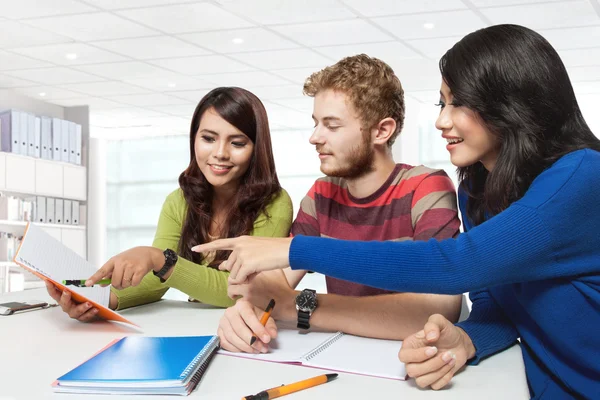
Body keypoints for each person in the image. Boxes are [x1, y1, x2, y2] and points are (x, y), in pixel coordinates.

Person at [195, 25, 600, 399]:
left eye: (459, 103)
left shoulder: (583, 177)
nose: (442, 120)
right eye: (443, 102)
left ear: (511, 104)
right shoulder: (479, 189)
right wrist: (468, 340)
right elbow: (494, 300)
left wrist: (295, 250)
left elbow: (459, 266)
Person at [200, 55, 463, 354]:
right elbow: (275, 281)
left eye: (332, 125)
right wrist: (245, 309)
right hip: (341, 353)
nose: (314, 137)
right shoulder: (321, 194)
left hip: (410, 358)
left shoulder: (426, 186)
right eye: (316, 123)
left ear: (381, 131)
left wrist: (298, 307)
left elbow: (439, 308)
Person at [46, 87, 293, 322]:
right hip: (194, 330)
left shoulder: (274, 204)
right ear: (194, 139)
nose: (220, 153)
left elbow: (242, 290)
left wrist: (162, 260)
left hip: (245, 333)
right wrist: (98, 301)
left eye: (237, 143)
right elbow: (157, 280)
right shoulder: (179, 201)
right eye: (208, 138)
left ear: (256, 148)